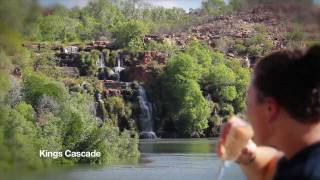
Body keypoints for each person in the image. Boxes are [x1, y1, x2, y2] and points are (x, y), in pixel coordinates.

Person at [217, 45, 320, 180]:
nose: (247, 114)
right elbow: (270, 168)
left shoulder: (300, 174)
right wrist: (249, 154)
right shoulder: (303, 160)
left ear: (270, 109)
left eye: (248, 103)